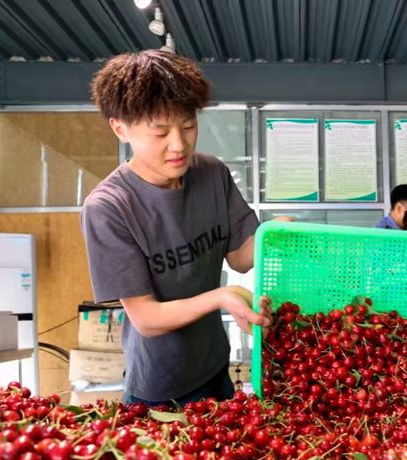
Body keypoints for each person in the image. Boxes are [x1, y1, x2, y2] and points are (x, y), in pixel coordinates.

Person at [81, 50, 271, 405]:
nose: (179, 145)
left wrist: (275, 238)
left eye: (188, 126)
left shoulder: (212, 174)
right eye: (160, 132)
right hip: (158, 388)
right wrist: (222, 297)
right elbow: (146, 319)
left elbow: (242, 258)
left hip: (215, 367)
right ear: (120, 127)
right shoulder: (109, 207)